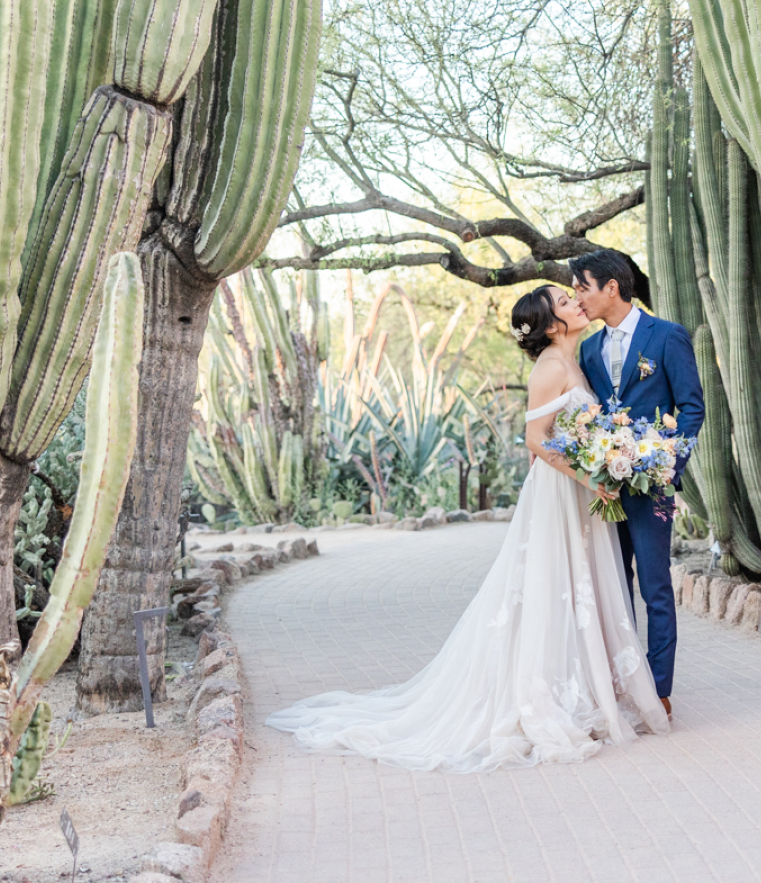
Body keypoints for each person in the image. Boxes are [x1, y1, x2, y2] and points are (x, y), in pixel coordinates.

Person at [262, 284, 670, 771]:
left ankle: (586, 685)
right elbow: (536, 441)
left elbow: (578, 431)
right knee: (551, 586)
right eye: (564, 302)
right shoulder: (551, 367)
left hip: (582, 494)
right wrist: (590, 476)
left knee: (578, 587)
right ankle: (541, 694)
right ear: (550, 326)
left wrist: (606, 463)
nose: (576, 302)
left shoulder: (576, 358)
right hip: (560, 493)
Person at [571, 249, 704, 717]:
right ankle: (624, 686)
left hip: (655, 486)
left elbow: (691, 407)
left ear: (611, 287)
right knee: (613, 587)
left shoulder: (666, 336)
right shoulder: (587, 349)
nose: (576, 297)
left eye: (582, 286)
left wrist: (669, 464)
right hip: (606, 487)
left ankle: (660, 692)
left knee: (655, 588)